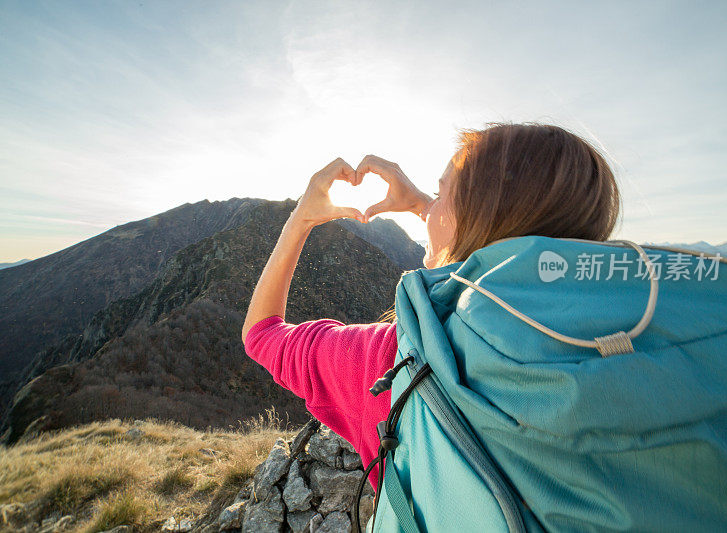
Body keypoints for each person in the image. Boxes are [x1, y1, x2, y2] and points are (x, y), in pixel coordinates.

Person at [241, 122, 620, 491]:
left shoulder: (392, 361)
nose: (430, 206)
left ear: (470, 220)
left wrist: (300, 219)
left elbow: (261, 333)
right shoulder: (625, 335)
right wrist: (427, 205)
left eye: (441, 196)